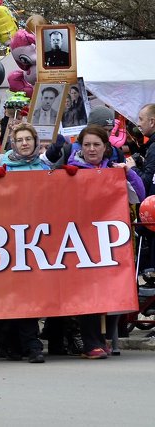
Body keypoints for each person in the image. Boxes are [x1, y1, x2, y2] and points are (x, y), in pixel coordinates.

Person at [60, 124, 145, 359]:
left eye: (96, 144)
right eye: (86, 144)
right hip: (81, 239)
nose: (91, 149)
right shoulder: (71, 170)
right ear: (80, 147)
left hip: (112, 239)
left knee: (111, 290)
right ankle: (90, 343)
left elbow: (140, 195)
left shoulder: (113, 170)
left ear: (105, 147)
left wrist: (129, 173)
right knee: (88, 292)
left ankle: (104, 338)